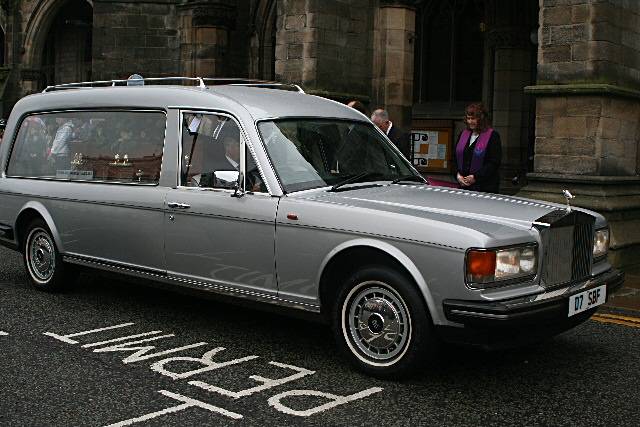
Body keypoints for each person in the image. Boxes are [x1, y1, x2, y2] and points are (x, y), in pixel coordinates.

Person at [453, 103, 502, 193]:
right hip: (464, 186)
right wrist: (458, 175)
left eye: (473, 119)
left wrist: (476, 177)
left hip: (485, 187)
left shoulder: (492, 136)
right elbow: (455, 158)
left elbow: (494, 162)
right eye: (468, 118)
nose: (470, 122)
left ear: (481, 119)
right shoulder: (463, 134)